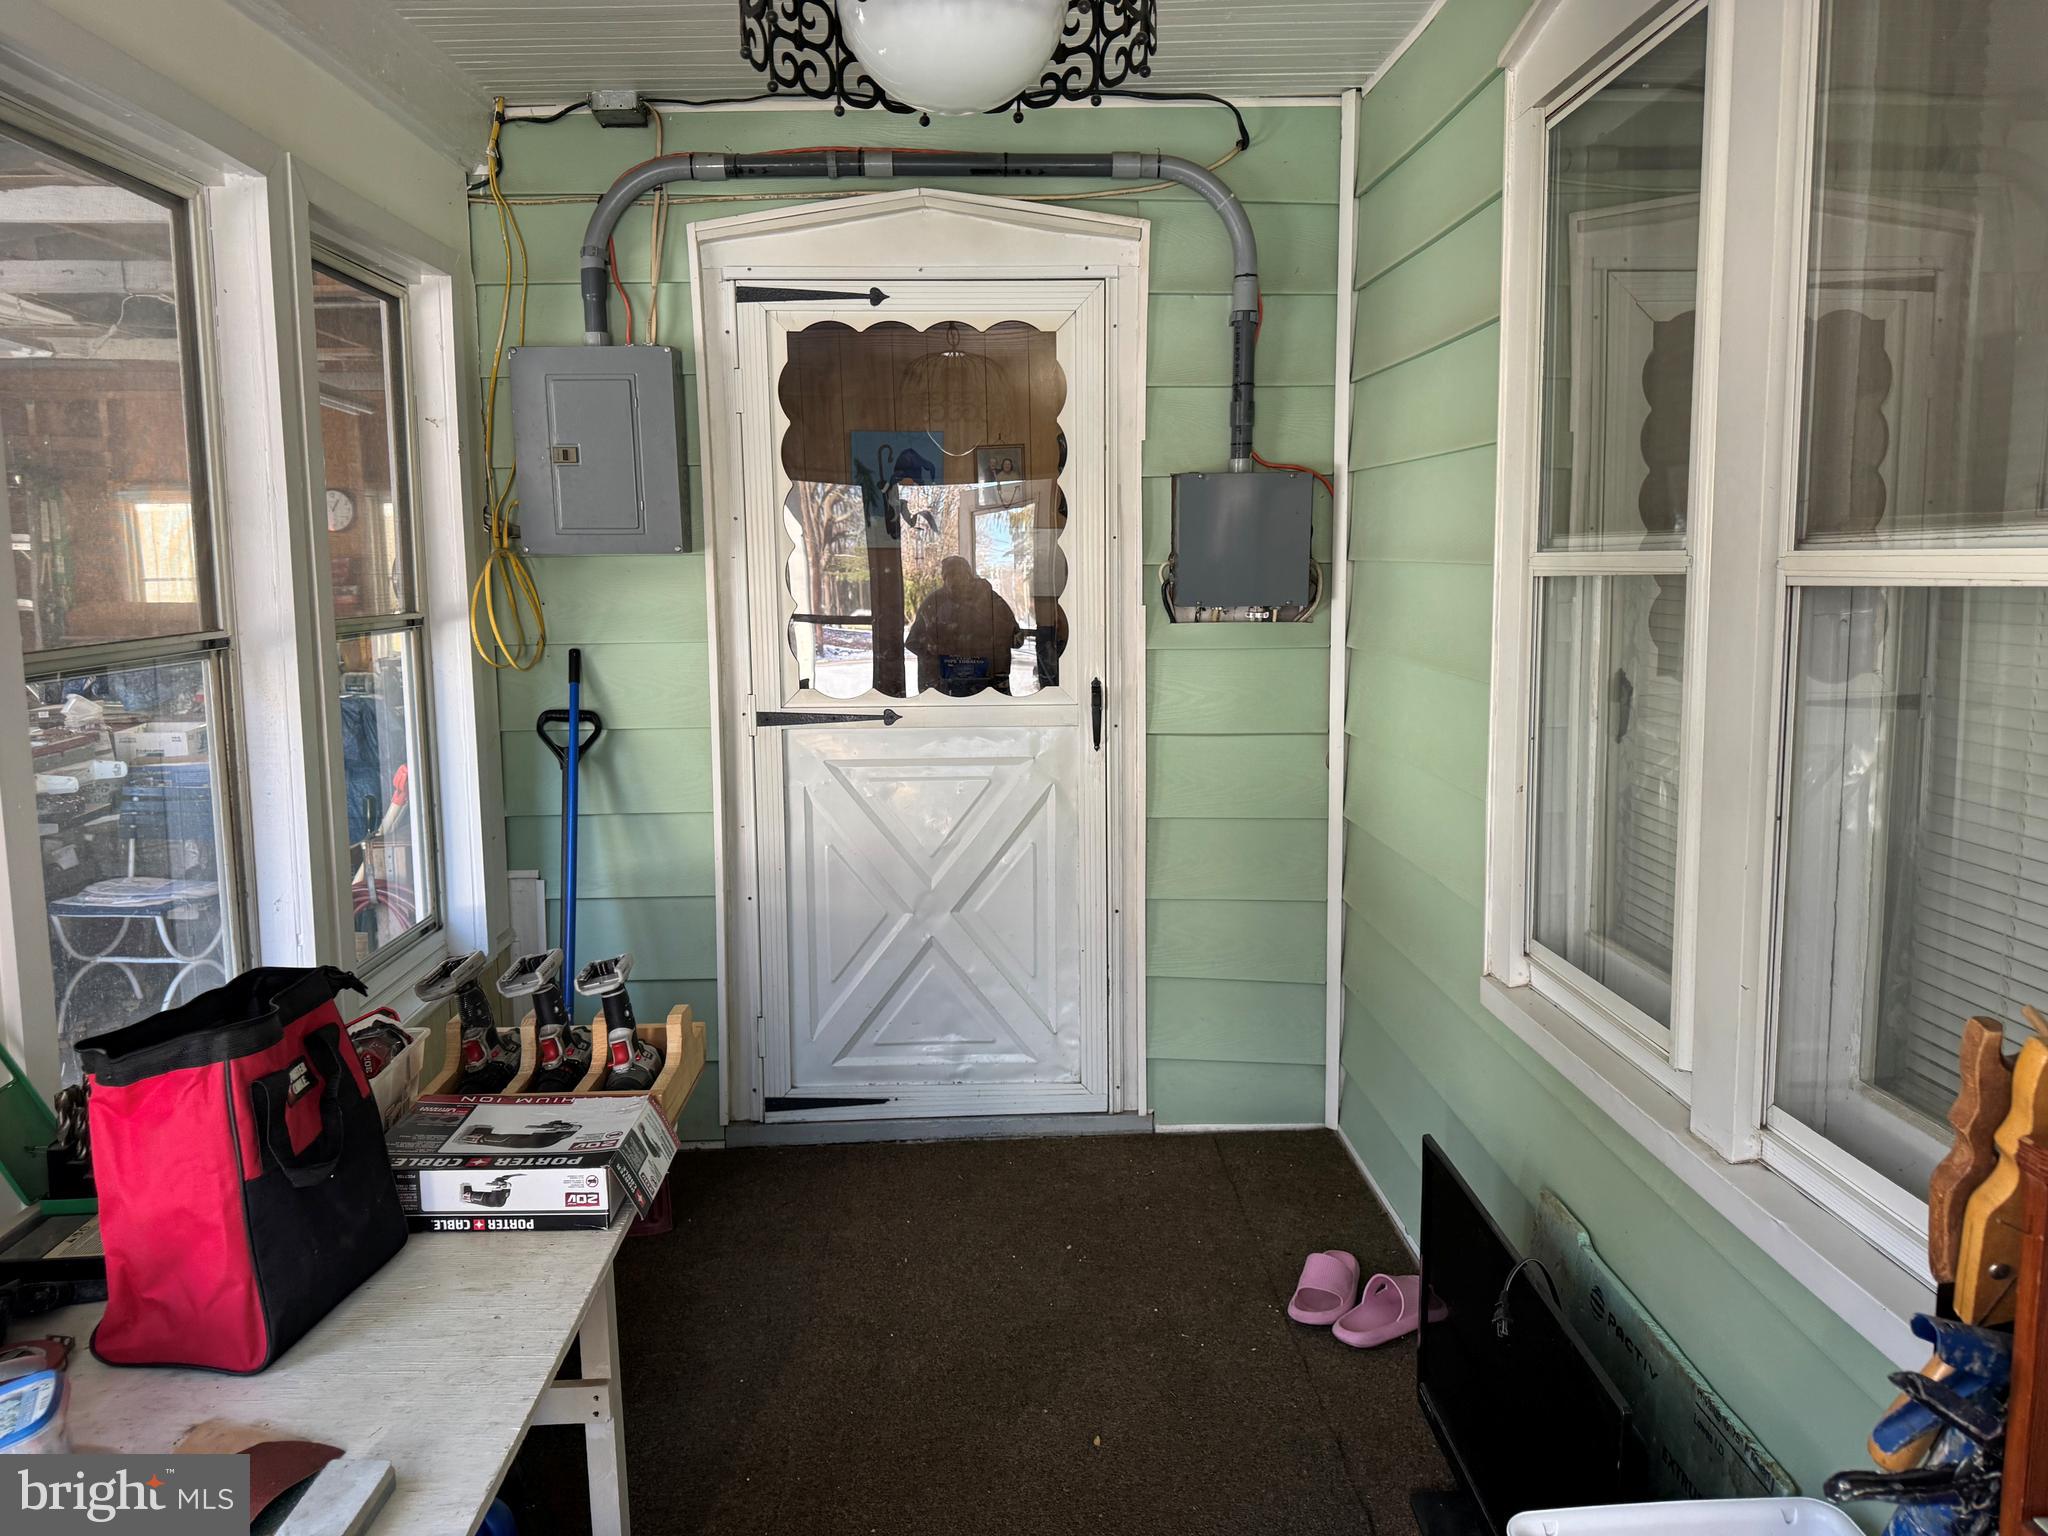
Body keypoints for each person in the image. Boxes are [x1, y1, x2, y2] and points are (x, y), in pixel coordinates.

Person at [904, 555, 1019, 696]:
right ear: (944, 578)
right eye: (951, 575)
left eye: (960, 574)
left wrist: (981, 644)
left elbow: (1016, 638)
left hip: (985, 691)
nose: (956, 580)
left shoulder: (990, 601)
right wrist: (938, 650)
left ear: (969, 576)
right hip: (944, 690)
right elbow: (913, 642)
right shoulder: (934, 603)